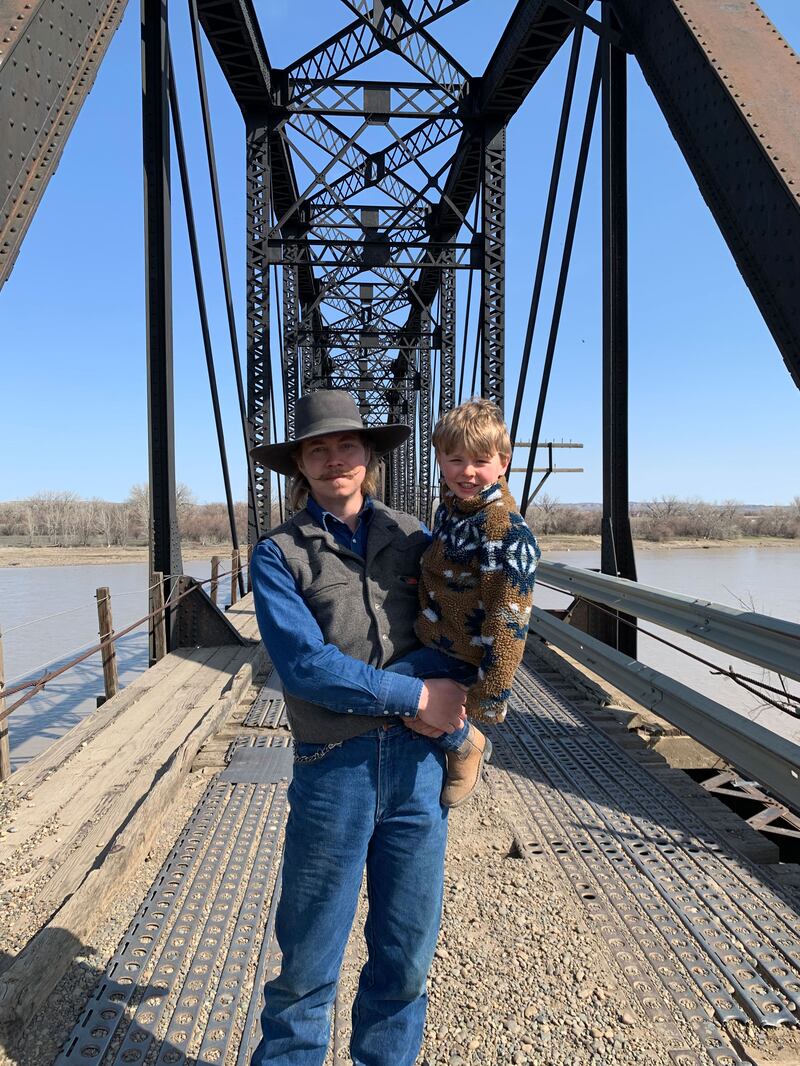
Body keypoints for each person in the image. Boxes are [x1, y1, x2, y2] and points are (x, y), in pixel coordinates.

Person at [248, 389, 469, 1066]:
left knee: (405, 961)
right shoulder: (279, 554)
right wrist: (415, 695)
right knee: (308, 963)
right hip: (333, 769)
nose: (335, 459)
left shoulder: (414, 537)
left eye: (347, 445)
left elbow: (464, 615)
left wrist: (469, 708)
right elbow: (306, 666)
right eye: (318, 448)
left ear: (369, 455)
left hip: (415, 769)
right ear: (300, 466)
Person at [387, 398, 541, 807]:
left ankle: (465, 742)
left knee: (387, 690)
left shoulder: (504, 530)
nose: (467, 472)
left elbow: (509, 618)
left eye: (480, 461)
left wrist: (486, 699)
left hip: (463, 655)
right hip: (437, 639)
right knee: (389, 685)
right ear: (439, 459)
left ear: (503, 462)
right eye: (455, 460)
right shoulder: (451, 511)